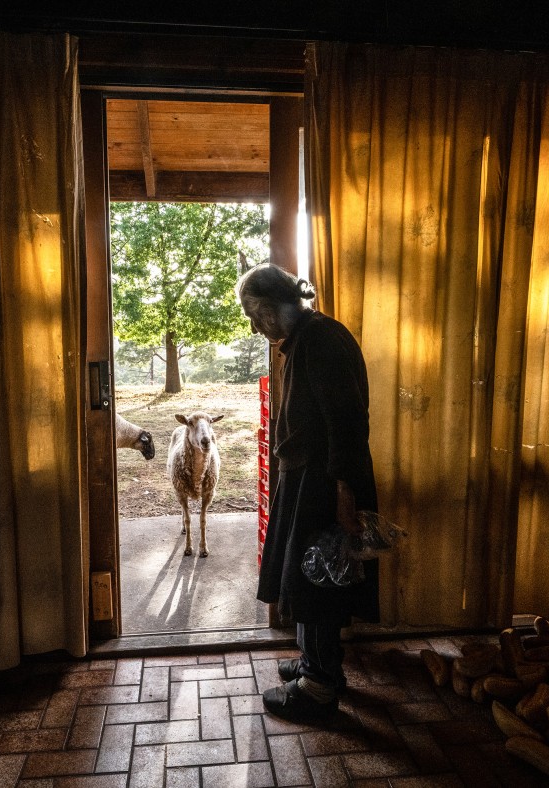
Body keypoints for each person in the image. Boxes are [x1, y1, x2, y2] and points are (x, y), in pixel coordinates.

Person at [236, 263, 379, 723]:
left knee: (317, 581)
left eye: (256, 317)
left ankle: (318, 688)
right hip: (307, 479)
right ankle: (318, 665)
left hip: (323, 483)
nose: (257, 328)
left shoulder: (320, 341)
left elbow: (347, 424)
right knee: (312, 575)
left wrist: (344, 491)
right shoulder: (307, 338)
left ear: (272, 308)